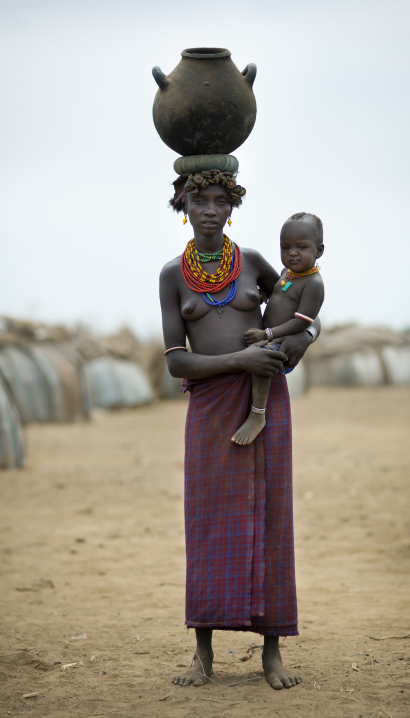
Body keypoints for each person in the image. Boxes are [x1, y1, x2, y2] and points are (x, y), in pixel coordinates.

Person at [159, 169, 320, 690]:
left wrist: (293, 346)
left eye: (220, 199)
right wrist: (240, 359)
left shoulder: (252, 262)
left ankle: (272, 653)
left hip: (266, 401)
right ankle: (203, 656)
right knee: (208, 526)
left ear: (232, 206)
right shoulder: (172, 276)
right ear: (183, 203)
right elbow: (177, 364)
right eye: (199, 199)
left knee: (270, 518)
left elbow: (300, 306)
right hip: (209, 409)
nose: (210, 208)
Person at [232, 212, 324, 445]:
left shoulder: (313, 284)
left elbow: (304, 321)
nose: (292, 252)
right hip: (270, 335)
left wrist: (267, 334)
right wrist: (264, 295)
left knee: (263, 358)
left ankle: (257, 414)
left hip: (284, 341)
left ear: (319, 251)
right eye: (286, 247)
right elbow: (278, 294)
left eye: (301, 247)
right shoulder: (287, 273)